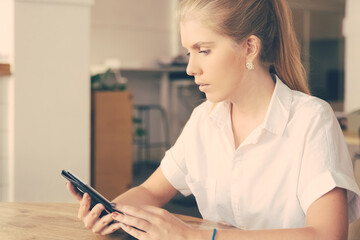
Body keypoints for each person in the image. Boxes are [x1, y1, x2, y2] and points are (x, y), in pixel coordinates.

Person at [67, 0, 360, 239]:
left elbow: (327, 235)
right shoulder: (203, 121)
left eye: (203, 50)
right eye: (188, 52)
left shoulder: (311, 120)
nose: (191, 67)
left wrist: (197, 236)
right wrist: (111, 211)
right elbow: (149, 191)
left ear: (250, 47)